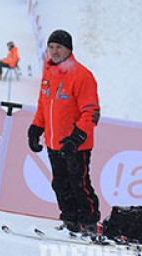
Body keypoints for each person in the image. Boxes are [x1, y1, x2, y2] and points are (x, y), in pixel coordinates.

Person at [27, 30, 101, 234]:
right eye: (51, 47)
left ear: (69, 49)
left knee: (80, 186)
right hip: (54, 142)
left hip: (75, 144)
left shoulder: (82, 75)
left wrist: (76, 137)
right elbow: (43, 106)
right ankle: (69, 221)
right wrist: (36, 128)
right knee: (60, 184)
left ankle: (89, 223)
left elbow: (92, 111)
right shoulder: (48, 74)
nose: (54, 51)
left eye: (59, 47)